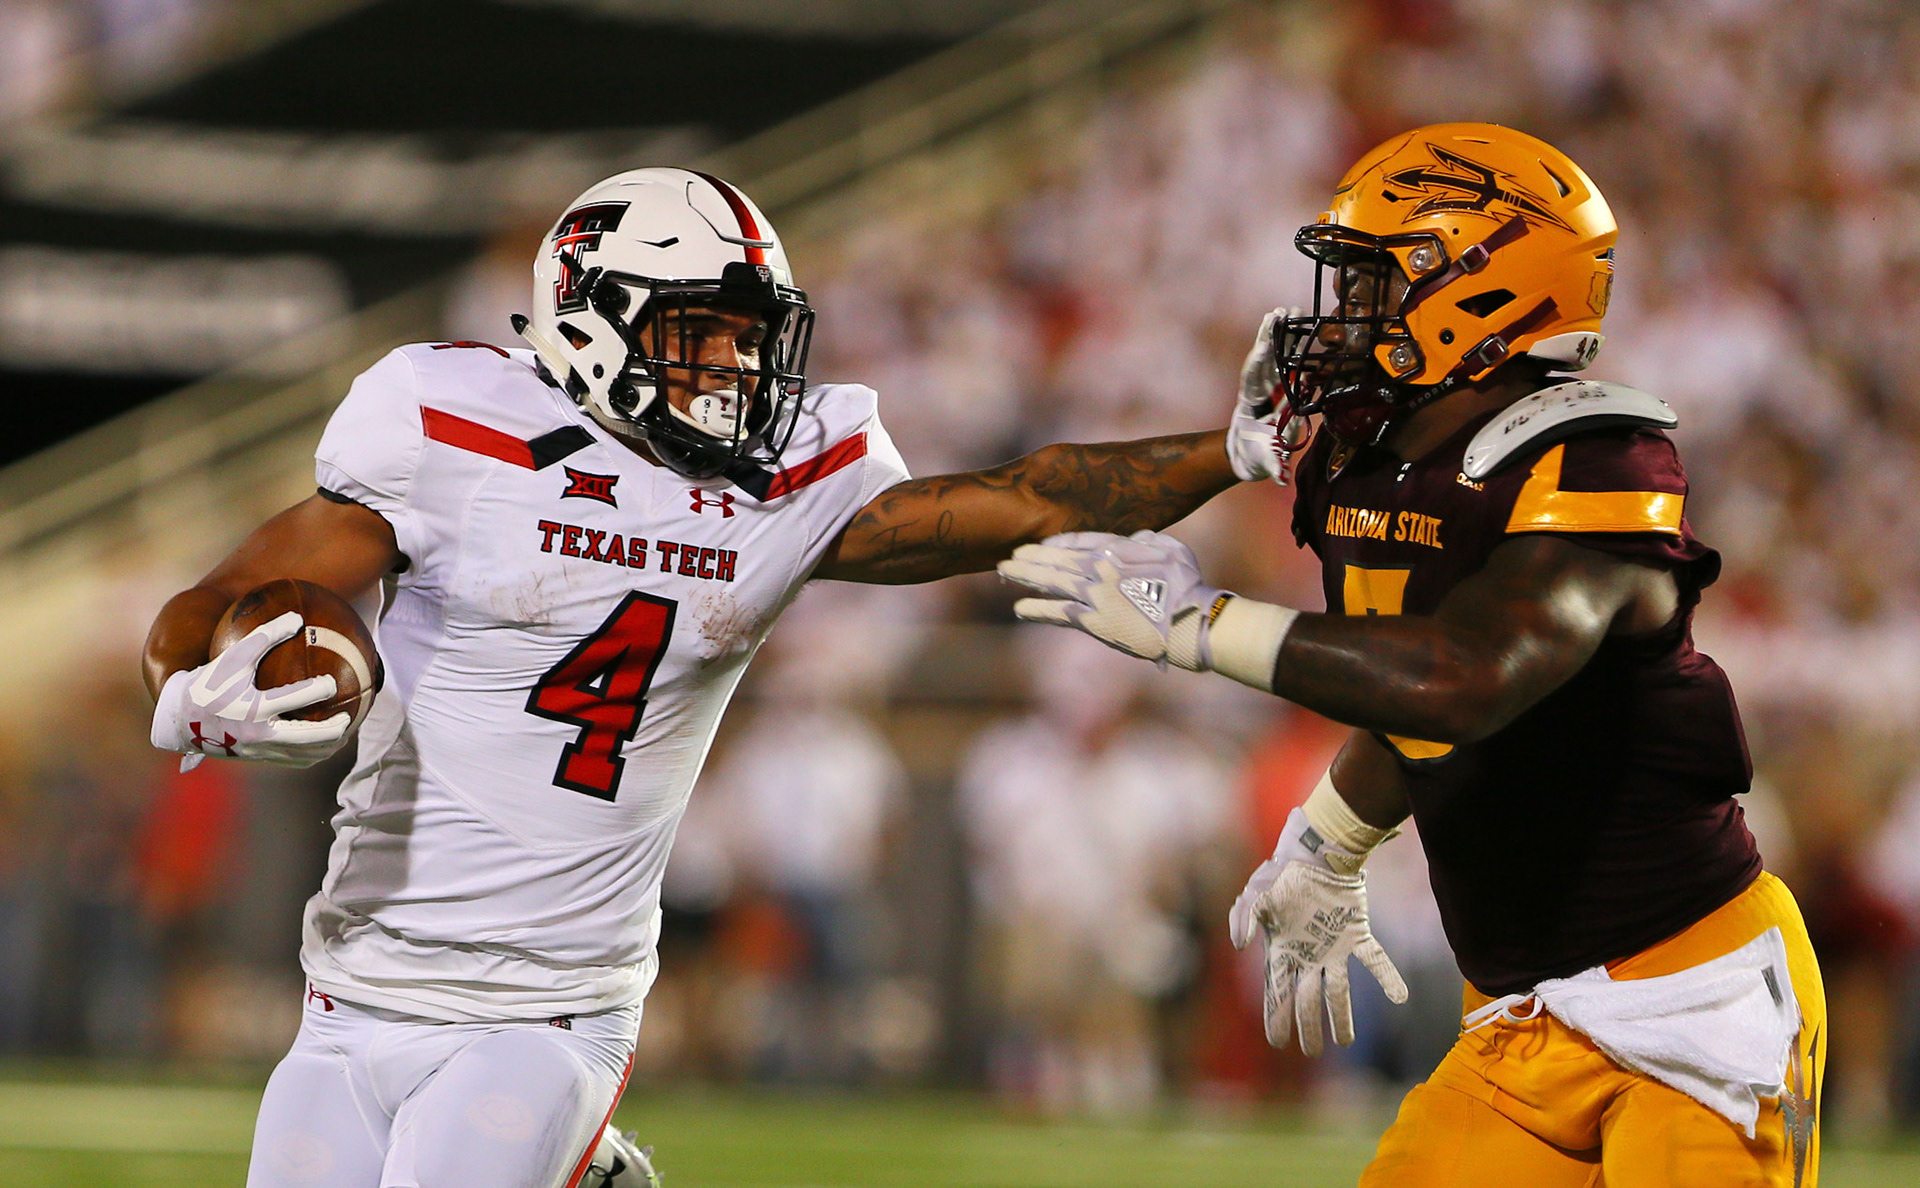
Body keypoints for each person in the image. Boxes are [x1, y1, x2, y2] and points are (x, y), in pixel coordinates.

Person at [140, 168, 1245, 1188]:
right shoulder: (450, 423)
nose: (734, 366)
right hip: (353, 984)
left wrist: (1234, 452)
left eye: (748, 336)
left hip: (551, 1004)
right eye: (698, 331)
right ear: (591, 318)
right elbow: (217, 598)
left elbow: (1031, 494)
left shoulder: (790, 479)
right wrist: (187, 690)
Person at [1003, 123, 1826, 1187]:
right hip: (1522, 1021)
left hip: (1689, 1003)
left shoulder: (1600, 454)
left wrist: (1204, 628)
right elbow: (1411, 699)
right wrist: (1331, 840)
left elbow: (1467, 677)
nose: (1341, 314)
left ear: (1486, 295)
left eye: (1377, 284)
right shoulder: (1367, 462)